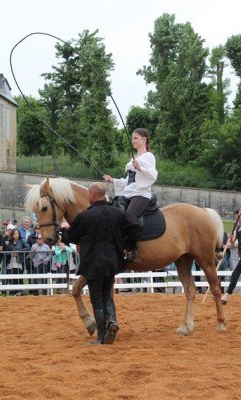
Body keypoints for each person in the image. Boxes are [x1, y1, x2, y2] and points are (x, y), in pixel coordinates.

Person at [67, 182, 142, 345]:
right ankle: (112, 321)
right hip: (112, 262)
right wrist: (125, 243)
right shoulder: (117, 213)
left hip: (93, 264)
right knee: (107, 295)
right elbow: (136, 225)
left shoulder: (85, 216)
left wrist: (64, 231)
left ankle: (101, 336)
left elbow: (71, 237)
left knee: (97, 300)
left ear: (92, 195)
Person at [103, 128, 157, 260]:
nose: (133, 140)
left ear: (144, 140)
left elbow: (153, 175)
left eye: (136, 138)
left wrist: (140, 168)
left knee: (128, 218)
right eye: (132, 138)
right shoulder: (133, 158)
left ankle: (130, 250)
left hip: (141, 194)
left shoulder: (149, 156)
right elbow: (128, 181)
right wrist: (113, 180)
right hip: (129, 193)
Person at [5, 228, 29, 296]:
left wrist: (19, 251)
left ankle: (19, 291)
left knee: (18, 275)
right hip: (11, 261)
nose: (16, 235)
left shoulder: (22, 241)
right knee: (12, 276)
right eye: (15, 233)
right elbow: (6, 251)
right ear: (12, 234)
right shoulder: (9, 242)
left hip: (19, 261)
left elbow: (28, 248)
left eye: (17, 233)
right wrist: (11, 253)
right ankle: (13, 291)